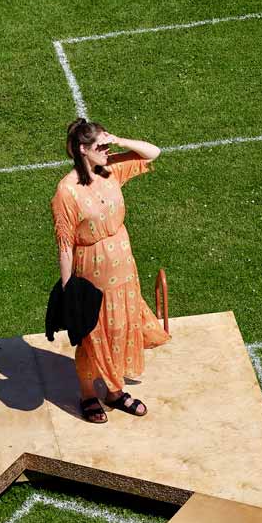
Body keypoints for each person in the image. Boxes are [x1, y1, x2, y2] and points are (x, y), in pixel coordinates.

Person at [51, 118, 170, 423]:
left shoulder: (111, 169)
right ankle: (89, 395)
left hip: (123, 266)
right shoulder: (67, 192)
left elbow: (152, 152)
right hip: (91, 271)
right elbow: (65, 244)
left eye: (106, 146)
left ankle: (115, 392)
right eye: (99, 147)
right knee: (94, 337)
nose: (105, 150)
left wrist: (118, 141)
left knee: (121, 328)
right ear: (82, 150)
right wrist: (69, 292)